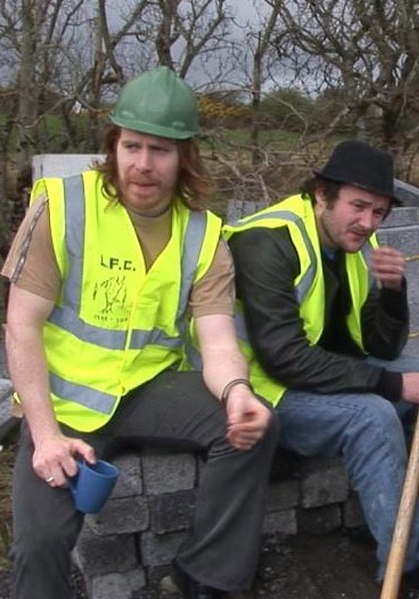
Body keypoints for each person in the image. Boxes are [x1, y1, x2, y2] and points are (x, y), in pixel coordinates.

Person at [2, 66, 279, 599]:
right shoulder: (62, 206)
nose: (143, 165)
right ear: (114, 145)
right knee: (39, 544)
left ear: (185, 157)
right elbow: (21, 325)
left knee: (254, 425)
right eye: (132, 146)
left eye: (161, 150)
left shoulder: (205, 235)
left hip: (150, 389)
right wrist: (45, 436)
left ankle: (206, 577)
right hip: (61, 401)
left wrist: (239, 393)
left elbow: (218, 341)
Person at [224, 139, 419, 599]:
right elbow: (283, 357)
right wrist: (391, 385)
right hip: (261, 392)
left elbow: (381, 347)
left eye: (378, 212)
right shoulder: (266, 242)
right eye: (358, 207)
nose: (368, 223)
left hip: (322, 372)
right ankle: (405, 563)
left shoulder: (357, 242)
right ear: (320, 193)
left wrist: (394, 292)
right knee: (371, 415)